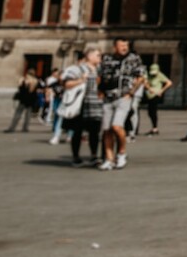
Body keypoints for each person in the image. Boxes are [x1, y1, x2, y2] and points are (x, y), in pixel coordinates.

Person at [99, 39, 145, 170]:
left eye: (126, 45)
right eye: (121, 45)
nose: (124, 47)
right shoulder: (107, 59)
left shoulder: (134, 58)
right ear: (115, 47)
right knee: (106, 130)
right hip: (108, 97)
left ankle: (121, 153)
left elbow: (141, 76)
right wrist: (99, 91)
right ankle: (109, 159)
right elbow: (100, 75)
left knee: (116, 126)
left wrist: (131, 92)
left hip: (123, 97)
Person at [62, 46, 104, 167]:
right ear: (89, 56)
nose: (100, 58)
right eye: (98, 55)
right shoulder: (77, 69)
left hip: (96, 105)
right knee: (78, 131)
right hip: (81, 105)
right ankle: (76, 156)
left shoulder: (100, 69)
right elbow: (66, 83)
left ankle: (94, 156)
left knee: (94, 132)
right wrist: (81, 80)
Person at [142, 62, 173, 135]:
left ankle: (155, 128)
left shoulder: (159, 75)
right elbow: (144, 82)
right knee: (150, 112)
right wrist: (149, 88)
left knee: (153, 111)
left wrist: (162, 90)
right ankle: (154, 127)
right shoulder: (147, 74)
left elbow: (169, 82)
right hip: (149, 94)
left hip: (156, 95)